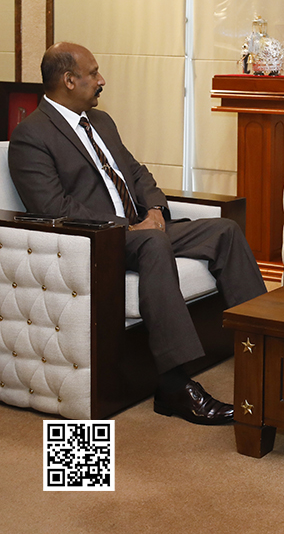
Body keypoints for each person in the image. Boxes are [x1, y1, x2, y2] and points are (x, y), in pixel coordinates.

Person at [9, 42, 268, 425]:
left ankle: (265, 349)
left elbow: (136, 172)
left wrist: (155, 210)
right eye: (94, 73)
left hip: (139, 228)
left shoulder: (101, 122)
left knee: (224, 231)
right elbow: (54, 209)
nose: (102, 80)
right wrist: (129, 227)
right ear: (68, 80)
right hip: (98, 240)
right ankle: (174, 385)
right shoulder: (31, 136)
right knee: (152, 241)